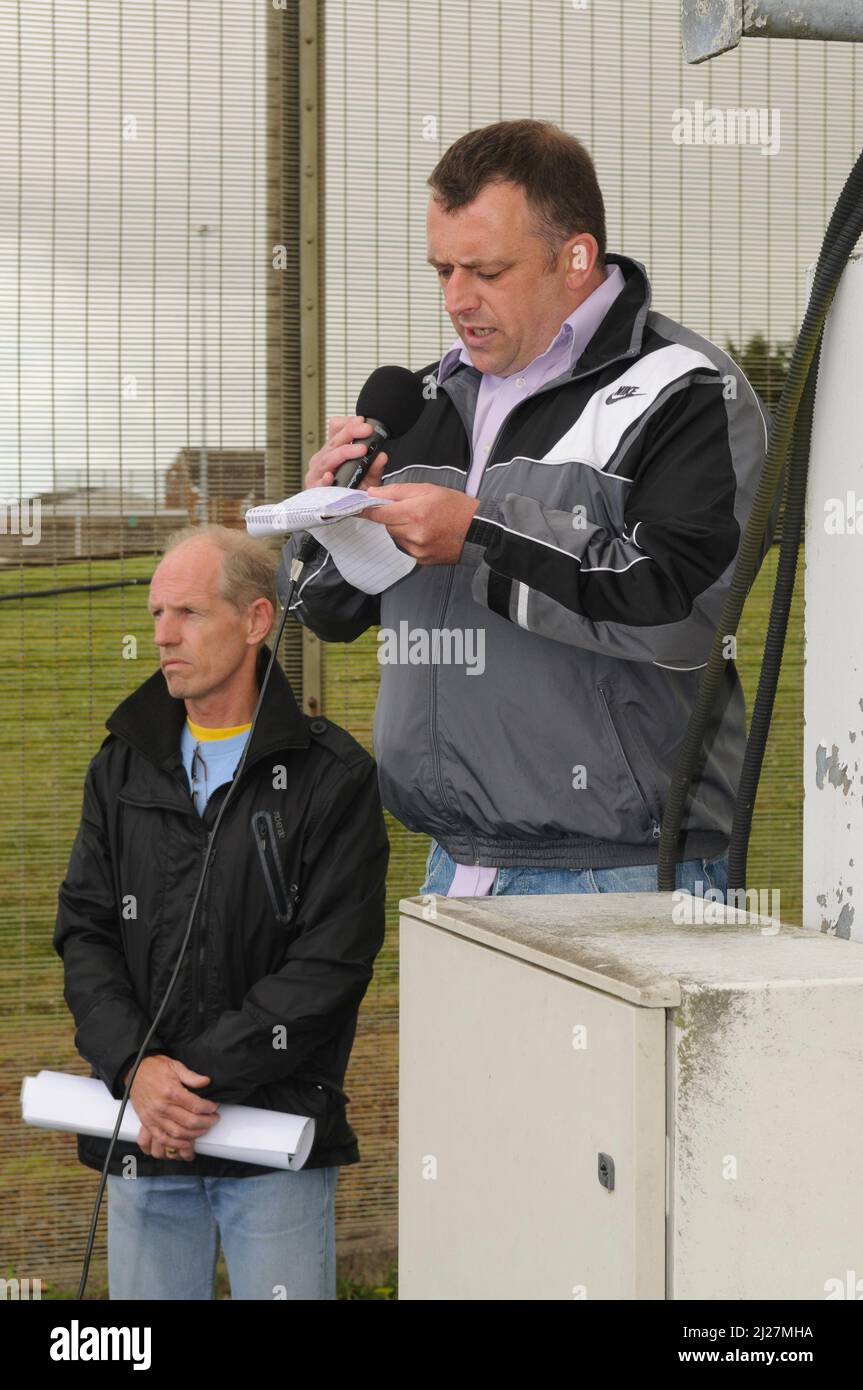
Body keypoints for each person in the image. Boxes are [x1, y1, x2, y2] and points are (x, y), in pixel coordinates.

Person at [278, 118, 776, 904]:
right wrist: (325, 520)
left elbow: (680, 608)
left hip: (620, 873)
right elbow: (323, 613)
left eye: (485, 270)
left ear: (575, 258)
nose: (455, 298)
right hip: (451, 863)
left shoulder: (685, 391)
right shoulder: (424, 400)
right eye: (441, 269)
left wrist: (476, 531)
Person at [54, 525, 388, 1300]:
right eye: (157, 613)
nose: (163, 635)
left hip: (270, 1139)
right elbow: (85, 930)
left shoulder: (330, 779)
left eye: (190, 614)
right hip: (143, 1133)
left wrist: (188, 1085)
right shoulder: (121, 763)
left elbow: (327, 967)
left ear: (257, 620)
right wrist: (136, 1069)